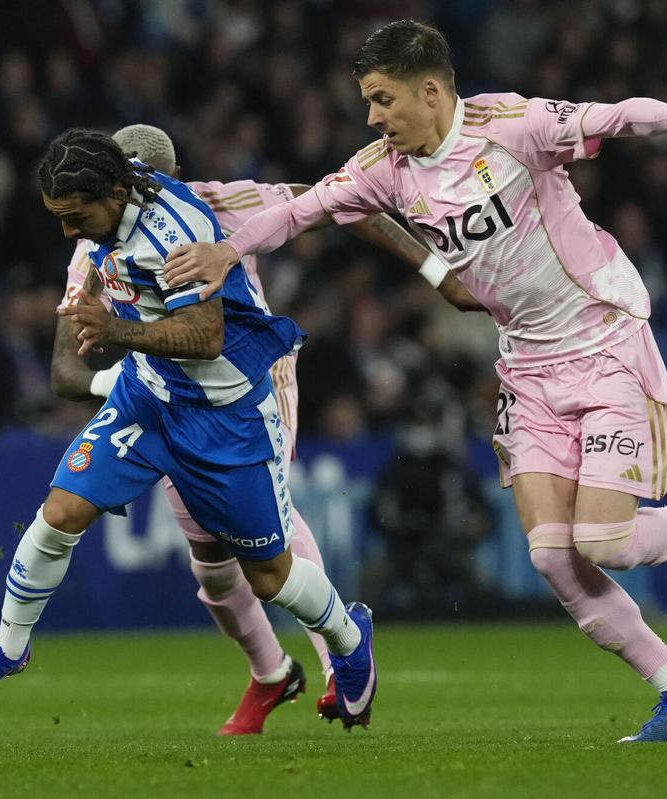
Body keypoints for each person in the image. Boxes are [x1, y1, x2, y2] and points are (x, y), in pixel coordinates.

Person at [164, 19, 667, 743]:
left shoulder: (512, 126)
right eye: (367, 101)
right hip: (527, 363)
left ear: (431, 91)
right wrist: (227, 251)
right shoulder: (381, 169)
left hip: (605, 339)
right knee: (554, 556)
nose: (373, 117)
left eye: (383, 99)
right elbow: (299, 212)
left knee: (605, 541)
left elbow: (609, 117)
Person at [50, 123, 481, 733]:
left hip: (252, 374)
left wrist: (440, 274)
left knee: (264, 528)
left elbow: (347, 202)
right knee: (210, 561)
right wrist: (114, 382)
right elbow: (66, 370)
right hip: (167, 388)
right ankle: (272, 674)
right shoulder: (91, 239)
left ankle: (343, 660)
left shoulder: (227, 202)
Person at [0, 129, 377, 730]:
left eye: (75, 218)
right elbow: (67, 368)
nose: (69, 232)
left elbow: (206, 337)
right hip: (146, 394)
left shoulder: (185, 227)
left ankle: (348, 638)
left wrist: (433, 264)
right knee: (62, 512)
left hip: (227, 410)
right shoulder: (91, 236)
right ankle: (7, 649)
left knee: (270, 574)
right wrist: (111, 354)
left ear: (121, 190)